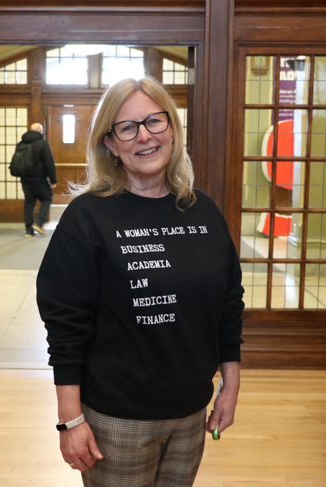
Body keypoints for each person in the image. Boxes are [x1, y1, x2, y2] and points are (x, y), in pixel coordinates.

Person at [36, 77, 244, 486]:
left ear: (173, 129)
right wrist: (69, 420)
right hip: (116, 421)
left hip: (190, 413)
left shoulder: (202, 210)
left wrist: (230, 384)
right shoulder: (87, 217)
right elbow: (65, 326)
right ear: (110, 143)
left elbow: (228, 303)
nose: (144, 136)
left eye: (154, 121)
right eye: (127, 127)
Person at [19, 122, 57, 237]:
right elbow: (49, 162)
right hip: (40, 179)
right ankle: (39, 223)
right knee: (47, 199)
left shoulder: (21, 143)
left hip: (25, 179)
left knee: (29, 203)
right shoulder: (43, 143)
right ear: (40, 130)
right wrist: (53, 180)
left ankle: (28, 231)